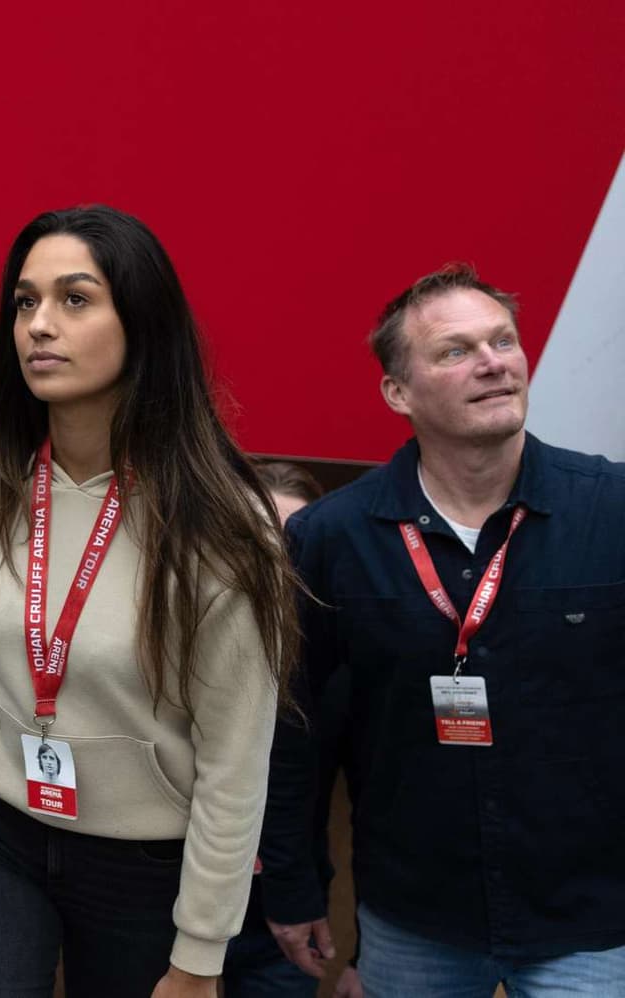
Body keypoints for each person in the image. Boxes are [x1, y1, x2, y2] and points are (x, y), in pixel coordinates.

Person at [0, 205, 297, 997]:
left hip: (141, 858)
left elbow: (235, 762)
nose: (39, 326)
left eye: (75, 300)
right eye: (25, 302)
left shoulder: (225, 525)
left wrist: (200, 953)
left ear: (141, 323)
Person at [262, 264, 625, 996]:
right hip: (413, 919)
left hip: (589, 922)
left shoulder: (611, 509)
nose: (494, 362)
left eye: (503, 341)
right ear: (399, 392)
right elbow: (290, 728)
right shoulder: (334, 537)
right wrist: (292, 885)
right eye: (456, 351)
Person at [226, 461, 366, 998]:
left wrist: (366, 954)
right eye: (255, 540)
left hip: (282, 924)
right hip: (158, 912)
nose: (276, 563)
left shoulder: (337, 668)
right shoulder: (175, 647)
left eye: (294, 544)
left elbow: (381, 805)